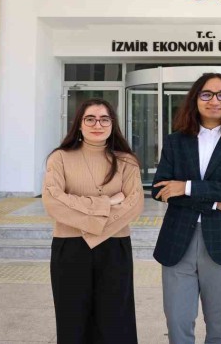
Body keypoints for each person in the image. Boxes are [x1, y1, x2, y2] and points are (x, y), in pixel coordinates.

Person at [152, 72, 221, 344]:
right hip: (178, 240)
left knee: (220, 328)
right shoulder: (176, 141)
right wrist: (214, 202)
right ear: (195, 99)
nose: (214, 101)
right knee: (177, 324)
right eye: (207, 94)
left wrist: (187, 186)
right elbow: (160, 190)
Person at [42, 98, 144, 344]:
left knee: (116, 320)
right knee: (72, 318)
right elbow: (53, 202)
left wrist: (82, 211)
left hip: (115, 247)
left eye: (104, 119)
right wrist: (107, 202)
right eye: (90, 119)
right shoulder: (59, 158)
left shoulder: (127, 161)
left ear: (112, 124)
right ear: (79, 124)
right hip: (70, 247)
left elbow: (134, 205)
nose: (97, 124)